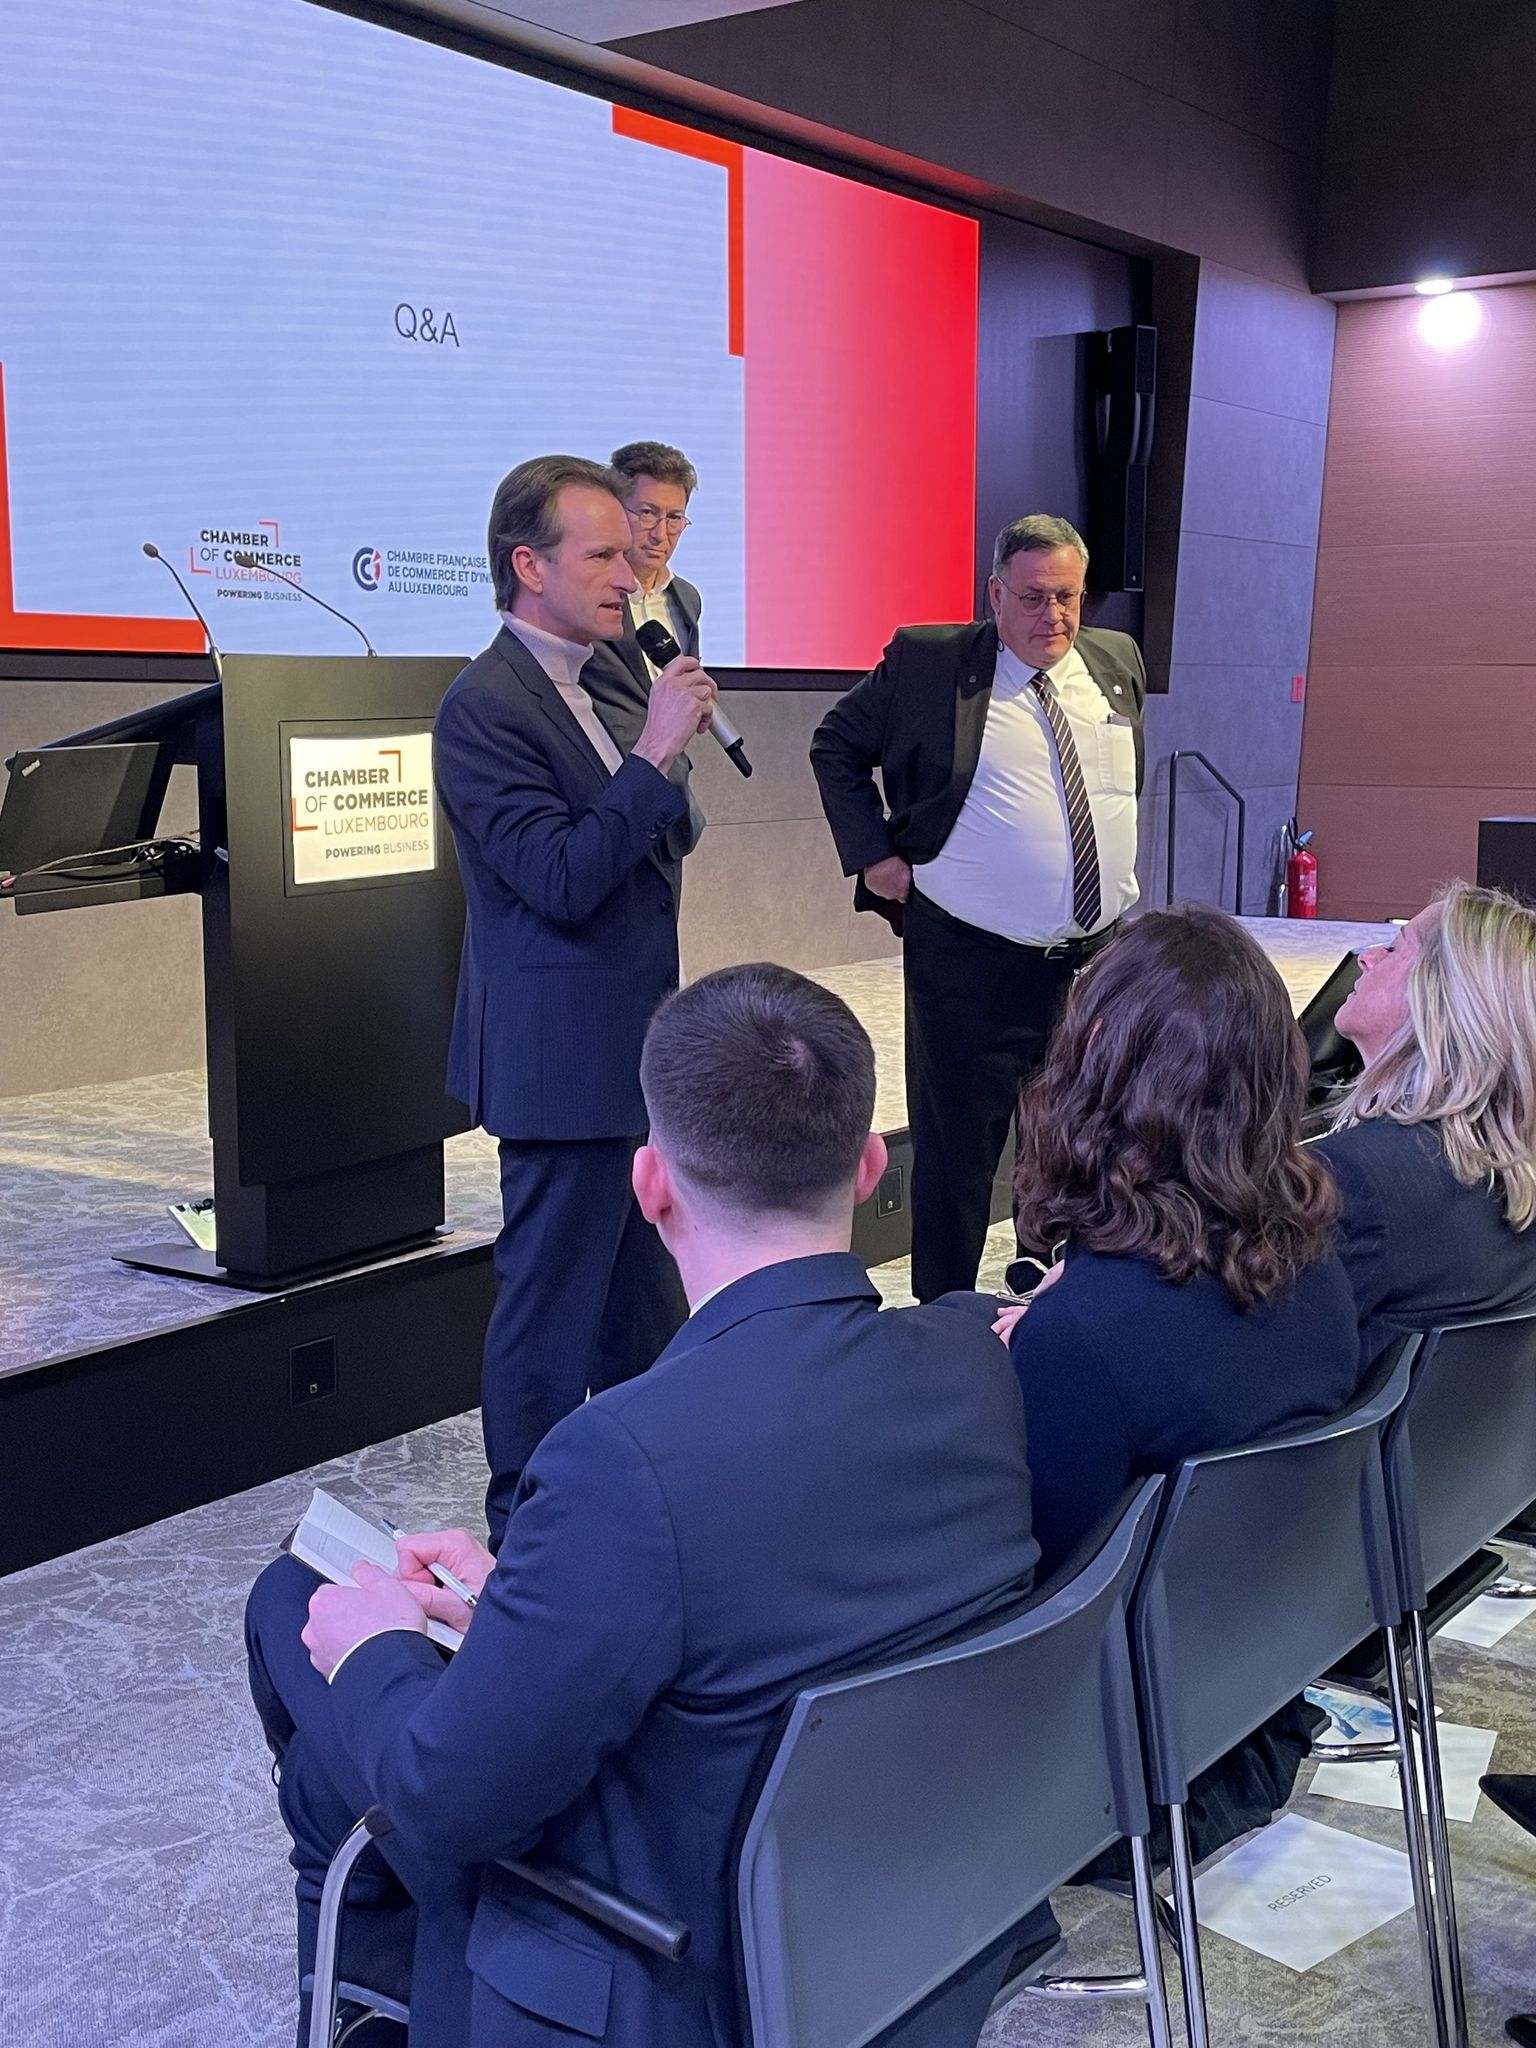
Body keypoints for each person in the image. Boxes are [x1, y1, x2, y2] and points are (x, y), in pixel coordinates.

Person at [245, 963, 1042, 2048]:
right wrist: (524, 1600)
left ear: (650, 1183)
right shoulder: (974, 1360)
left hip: (681, 1962)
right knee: (340, 1746)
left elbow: (448, 1798)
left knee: (294, 1607)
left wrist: (377, 1643)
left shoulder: (618, 1457)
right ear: (868, 1168)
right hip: (911, 1910)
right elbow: (769, 1584)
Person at [990, 906, 1361, 1865]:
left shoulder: (1081, 1341)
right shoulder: (1320, 1272)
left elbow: (1037, 1604)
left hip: (1107, 1776)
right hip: (1253, 1699)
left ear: (1096, 1070)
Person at [434, 454, 716, 1542]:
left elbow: (661, 835)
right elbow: (559, 878)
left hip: (638, 1044)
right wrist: (654, 750)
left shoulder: (606, 675)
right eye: (601, 554)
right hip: (560, 1059)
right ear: (528, 565)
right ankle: (528, 1526)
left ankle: (648, 1504)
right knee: (548, 1313)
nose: (631, 573)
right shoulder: (483, 707)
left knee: (646, 1306)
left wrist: (662, 750)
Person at [811, 513, 1146, 1302]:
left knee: (1082, 1142)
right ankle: (946, 1317)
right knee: (958, 1153)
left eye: (1068, 596)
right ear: (995, 595)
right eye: (1033, 597)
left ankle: (1051, 1289)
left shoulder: (1116, 660)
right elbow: (836, 745)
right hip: (970, 960)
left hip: (1096, 963)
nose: (1053, 615)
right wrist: (875, 856)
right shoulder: (931, 663)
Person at [1312, 881, 1536, 1368]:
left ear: (1438, 996)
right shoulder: (1511, 1174)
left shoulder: (1355, 1179)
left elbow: (1248, 1359)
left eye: (1394, 949)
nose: (1367, 957)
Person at [583, 440, 707, 904]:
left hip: (668, 804)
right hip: (601, 801)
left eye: (675, 518)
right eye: (647, 513)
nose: (661, 533)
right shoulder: (588, 597)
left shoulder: (687, 598)